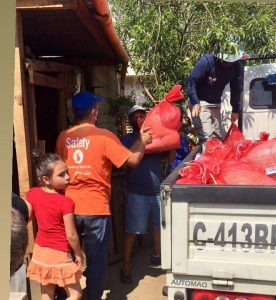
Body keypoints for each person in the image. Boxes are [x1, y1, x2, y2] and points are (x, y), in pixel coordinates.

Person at [56, 92, 152, 299]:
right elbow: (133, 160)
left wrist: (138, 140)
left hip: (68, 209)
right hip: (96, 210)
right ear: (94, 112)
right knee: (97, 261)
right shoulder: (104, 136)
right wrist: (143, 141)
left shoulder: (63, 137)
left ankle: (65, 295)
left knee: (67, 257)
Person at [119, 105, 172, 284]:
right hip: (137, 193)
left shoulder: (155, 137)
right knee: (132, 231)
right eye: (136, 116)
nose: (140, 119)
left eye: (143, 115)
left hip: (158, 192)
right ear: (131, 121)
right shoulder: (126, 139)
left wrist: (170, 134)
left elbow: (170, 158)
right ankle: (126, 266)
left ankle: (157, 255)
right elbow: (126, 159)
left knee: (158, 227)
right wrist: (141, 140)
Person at [25, 152, 83, 300]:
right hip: (60, 253)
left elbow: (28, 217)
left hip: (40, 251)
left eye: (67, 172)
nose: (68, 177)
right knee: (76, 294)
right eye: (62, 174)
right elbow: (71, 235)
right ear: (46, 179)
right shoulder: (65, 202)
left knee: (47, 292)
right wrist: (79, 253)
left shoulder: (32, 193)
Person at [187, 45, 247, 144]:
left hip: (216, 103)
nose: (228, 63)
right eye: (225, 60)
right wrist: (195, 102)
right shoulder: (207, 62)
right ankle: (207, 158)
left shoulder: (237, 67)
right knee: (207, 137)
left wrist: (235, 109)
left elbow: (236, 89)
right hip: (200, 101)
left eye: (231, 60)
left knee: (217, 137)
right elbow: (191, 81)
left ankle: (216, 158)